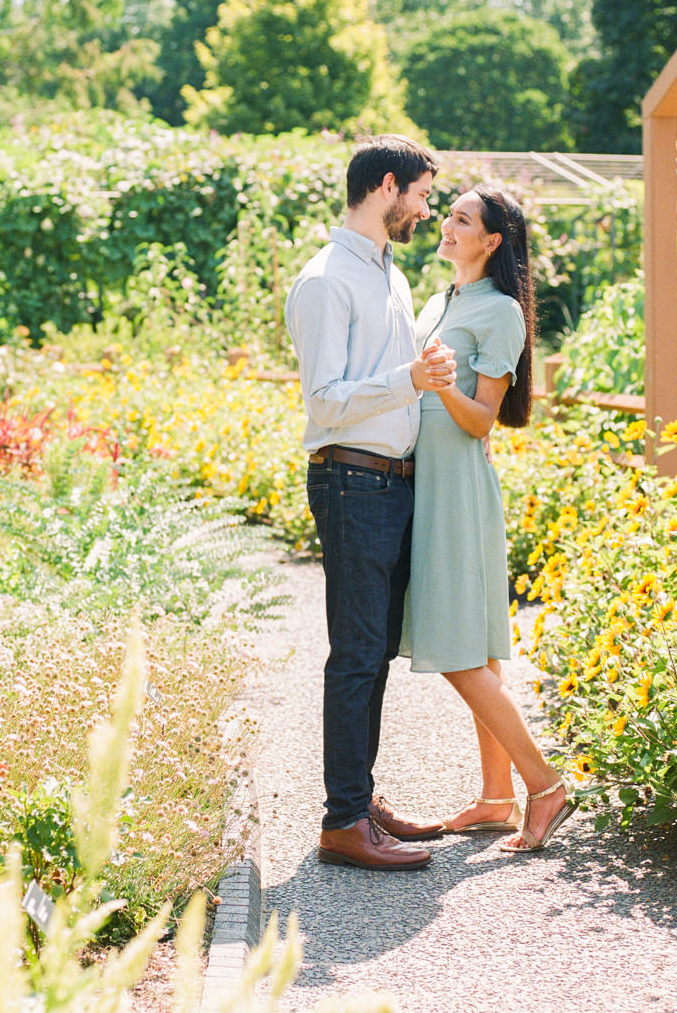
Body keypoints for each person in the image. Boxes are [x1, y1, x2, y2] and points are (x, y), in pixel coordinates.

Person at [284, 135, 457, 872]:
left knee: (374, 651)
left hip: (389, 482)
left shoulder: (389, 276)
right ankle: (342, 822)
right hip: (351, 481)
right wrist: (407, 382)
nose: (427, 209)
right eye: (421, 193)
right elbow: (323, 402)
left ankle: (359, 801)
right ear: (388, 186)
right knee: (356, 655)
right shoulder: (326, 282)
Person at [399, 185, 575, 854]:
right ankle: (498, 798)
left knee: (458, 649)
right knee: (476, 648)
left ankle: (546, 784)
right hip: (428, 484)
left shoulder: (500, 312)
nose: (447, 225)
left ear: (492, 240)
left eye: (462, 220)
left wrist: (440, 384)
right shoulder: (443, 300)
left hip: (458, 489)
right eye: (447, 215)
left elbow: (480, 423)